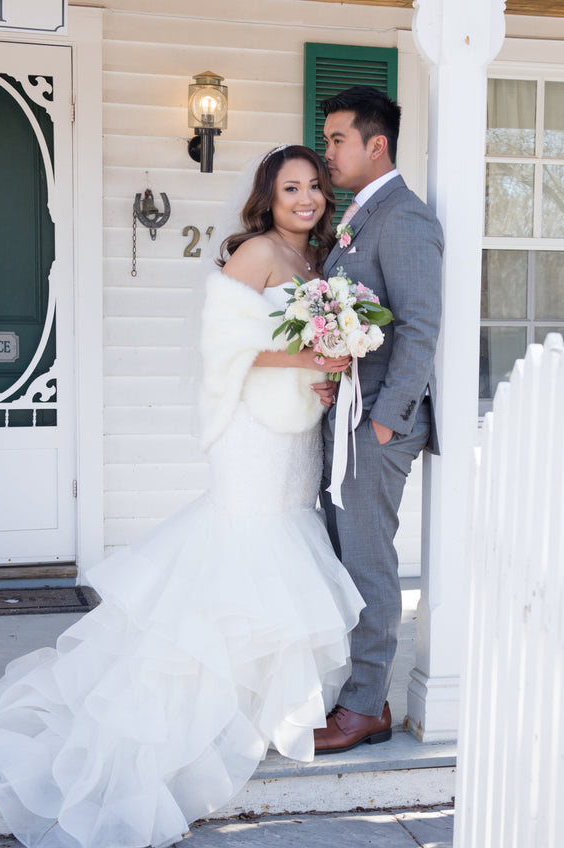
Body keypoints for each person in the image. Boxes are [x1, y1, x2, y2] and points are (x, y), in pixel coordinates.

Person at [0, 145, 364, 848]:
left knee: (283, 541)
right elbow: (225, 349)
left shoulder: (313, 261)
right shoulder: (258, 253)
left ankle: (262, 703)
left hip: (293, 431)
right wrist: (308, 357)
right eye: (290, 188)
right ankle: (206, 704)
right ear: (267, 199)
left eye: (314, 188)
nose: (306, 199)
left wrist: (321, 374)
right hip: (250, 434)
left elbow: (292, 340)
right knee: (243, 546)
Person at [313, 87, 444, 754]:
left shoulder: (405, 218)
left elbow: (420, 328)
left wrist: (386, 422)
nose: (327, 151)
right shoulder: (360, 216)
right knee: (339, 558)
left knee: (368, 564)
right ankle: (350, 692)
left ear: (376, 144)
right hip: (349, 418)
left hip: (377, 430)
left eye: (337, 139)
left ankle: (366, 706)